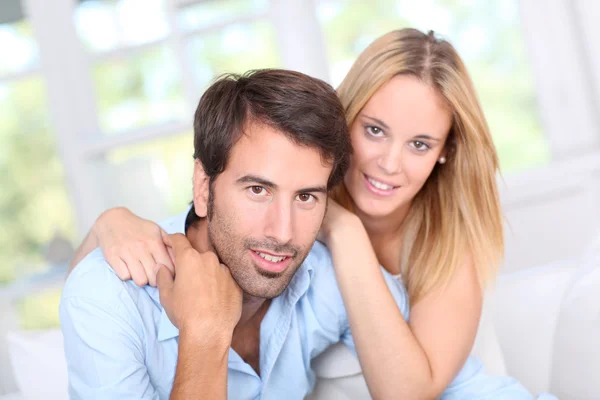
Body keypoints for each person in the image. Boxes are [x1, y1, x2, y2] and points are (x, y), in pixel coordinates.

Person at [65, 39, 554, 400]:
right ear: (203, 185)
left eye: (307, 197)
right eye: (258, 189)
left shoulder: (325, 272)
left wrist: (345, 232)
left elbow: (454, 387)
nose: (282, 231)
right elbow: (93, 288)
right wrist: (205, 332)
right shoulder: (109, 301)